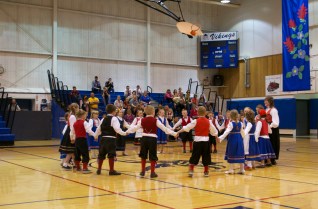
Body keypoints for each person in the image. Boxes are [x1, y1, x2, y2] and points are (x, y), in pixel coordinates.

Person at [127, 105, 177, 178]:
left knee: (143, 155)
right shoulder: (156, 120)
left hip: (144, 138)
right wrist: (174, 133)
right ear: (153, 112)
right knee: (153, 156)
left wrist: (126, 132)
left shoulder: (142, 120)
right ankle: (152, 173)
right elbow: (165, 129)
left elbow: (134, 128)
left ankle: (143, 171)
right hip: (152, 139)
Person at [177, 106, 218, 177]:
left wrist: (178, 132)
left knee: (194, 156)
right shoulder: (209, 122)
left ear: (197, 113)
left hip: (197, 142)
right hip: (205, 142)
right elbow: (214, 131)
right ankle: (206, 171)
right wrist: (217, 137)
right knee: (206, 157)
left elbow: (187, 128)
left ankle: (191, 170)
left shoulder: (195, 121)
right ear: (205, 113)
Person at [94, 104, 128, 176]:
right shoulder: (114, 119)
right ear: (113, 111)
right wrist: (124, 133)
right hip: (111, 139)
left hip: (103, 139)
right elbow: (117, 129)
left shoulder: (103, 119)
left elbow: (99, 128)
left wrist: (96, 135)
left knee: (101, 154)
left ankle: (99, 169)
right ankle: (111, 170)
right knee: (111, 155)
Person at [217, 110, 245, 175]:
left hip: (233, 139)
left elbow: (226, 132)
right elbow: (242, 132)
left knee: (231, 153)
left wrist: (220, 138)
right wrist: (243, 139)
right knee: (240, 153)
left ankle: (231, 170)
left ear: (231, 116)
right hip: (239, 139)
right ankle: (242, 169)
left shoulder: (231, 123)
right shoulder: (241, 123)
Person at [71, 109, 95, 174]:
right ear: (82, 116)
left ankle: (78, 167)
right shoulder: (84, 122)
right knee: (85, 153)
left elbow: (72, 132)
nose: (85, 116)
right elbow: (88, 130)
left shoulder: (75, 123)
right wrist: (95, 135)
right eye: (85, 115)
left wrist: (72, 138)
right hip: (83, 140)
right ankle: (85, 168)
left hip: (77, 140)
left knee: (77, 153)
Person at [59, 103, 79, 170]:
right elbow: (72, 127)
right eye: (78, 108)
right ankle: (65, 163)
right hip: (70, 133)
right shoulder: (73, 116)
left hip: (70, 133)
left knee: (72, 151)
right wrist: (72, 137)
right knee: (71, 150)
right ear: (75, 108)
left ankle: (75, 164)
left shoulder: (72, 115)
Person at [264, 96, 280, 165]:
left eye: (266, 101)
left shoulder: (274, 110)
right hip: (267, 129)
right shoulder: (266, 110)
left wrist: (269, 127)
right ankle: (267, 158)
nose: (265, 103)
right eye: (264, 101)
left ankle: (272, 159)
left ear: (270, 102)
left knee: (273, 144)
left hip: (273, 130)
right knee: (267, 144)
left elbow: (275, 123)